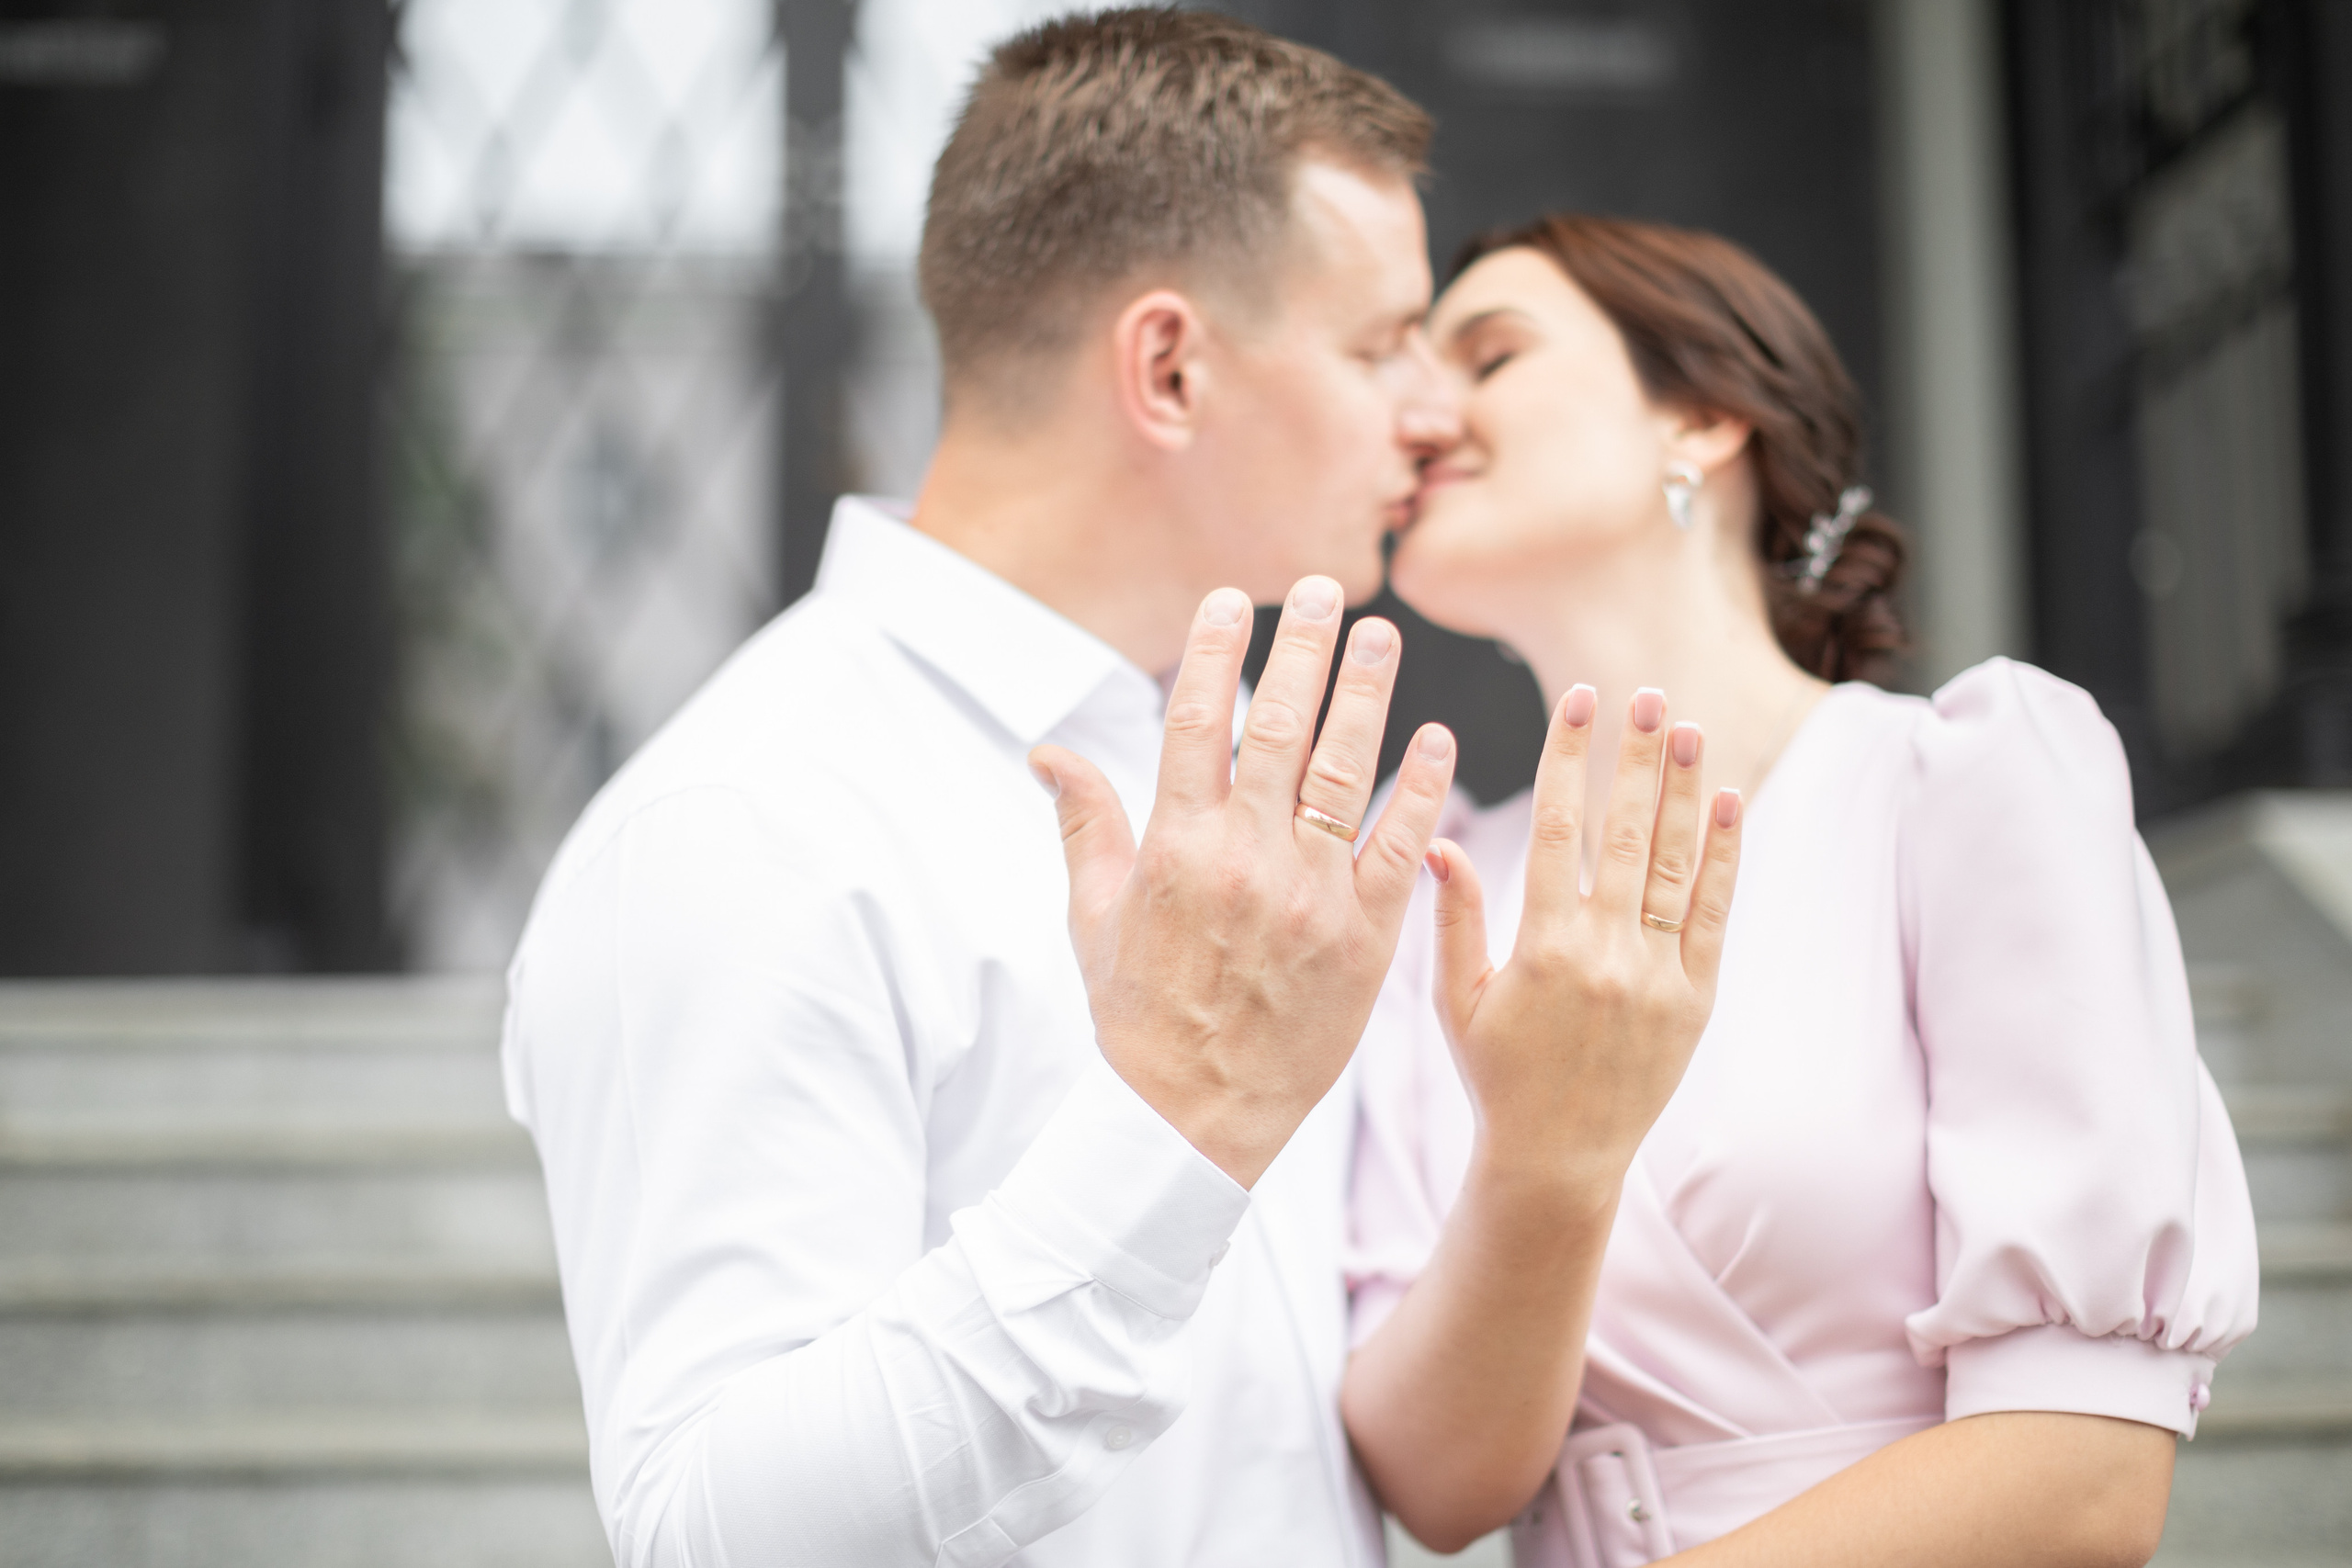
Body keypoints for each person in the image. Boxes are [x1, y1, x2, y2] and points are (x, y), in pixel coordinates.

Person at [502, 16, 1732, 1568]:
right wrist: (1180, 1112)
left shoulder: (1245, 801)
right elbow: (711, 1535)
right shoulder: (749, 823)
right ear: (1165, 367)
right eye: (1377, 346)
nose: (1436, 415)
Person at [1340, 214, 2262, 1567]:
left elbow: (2083, 1479)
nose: (1422, 411)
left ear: (1705, 420)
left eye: (1489, 352)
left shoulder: (1969, 780)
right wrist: (1548, 1161)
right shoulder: (1431, 890)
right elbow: (1438, 1487)